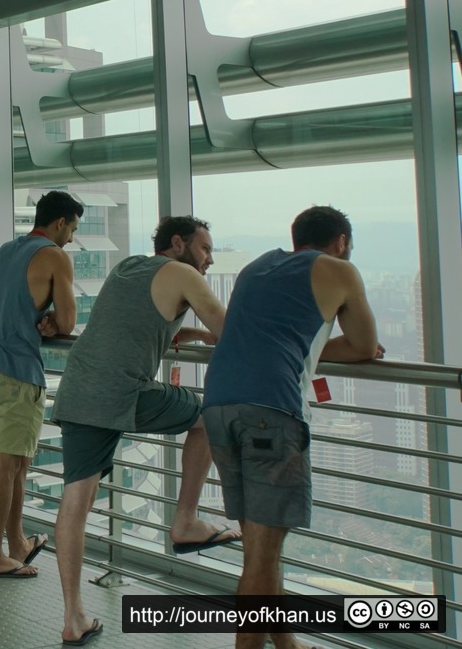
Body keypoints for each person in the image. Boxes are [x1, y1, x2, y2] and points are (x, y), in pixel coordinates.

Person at [202, 206, 382, 649]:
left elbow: (263, 335)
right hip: (271, 411)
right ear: (341, 241)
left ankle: (286, 644)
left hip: (219, 407)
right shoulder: (340, 271)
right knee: (262, 553)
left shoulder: (256, 266)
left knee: (260, 546)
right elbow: (363, 346)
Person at [52, 215, 235, 647]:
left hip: (79, 388)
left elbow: (139, 324)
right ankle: (186, 521)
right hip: (123, 392)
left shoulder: (128, 267)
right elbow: (229, 328)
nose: (209, 258)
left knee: (76, 499)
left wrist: (191, 334)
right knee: (209, 418)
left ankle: (73, 617)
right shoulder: (184, 273)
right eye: (205, 248)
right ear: (179, 243)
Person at [0, 190, 82, 579]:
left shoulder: (6, 250)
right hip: (17, 370)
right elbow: (68, 323)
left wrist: (45, 314)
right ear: (60, 222)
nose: (70, 238)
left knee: (17, 462)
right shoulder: (54, 255)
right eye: (72, 229)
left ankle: (16, 543)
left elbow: (12, 303)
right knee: (5, 466)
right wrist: (54, 317)